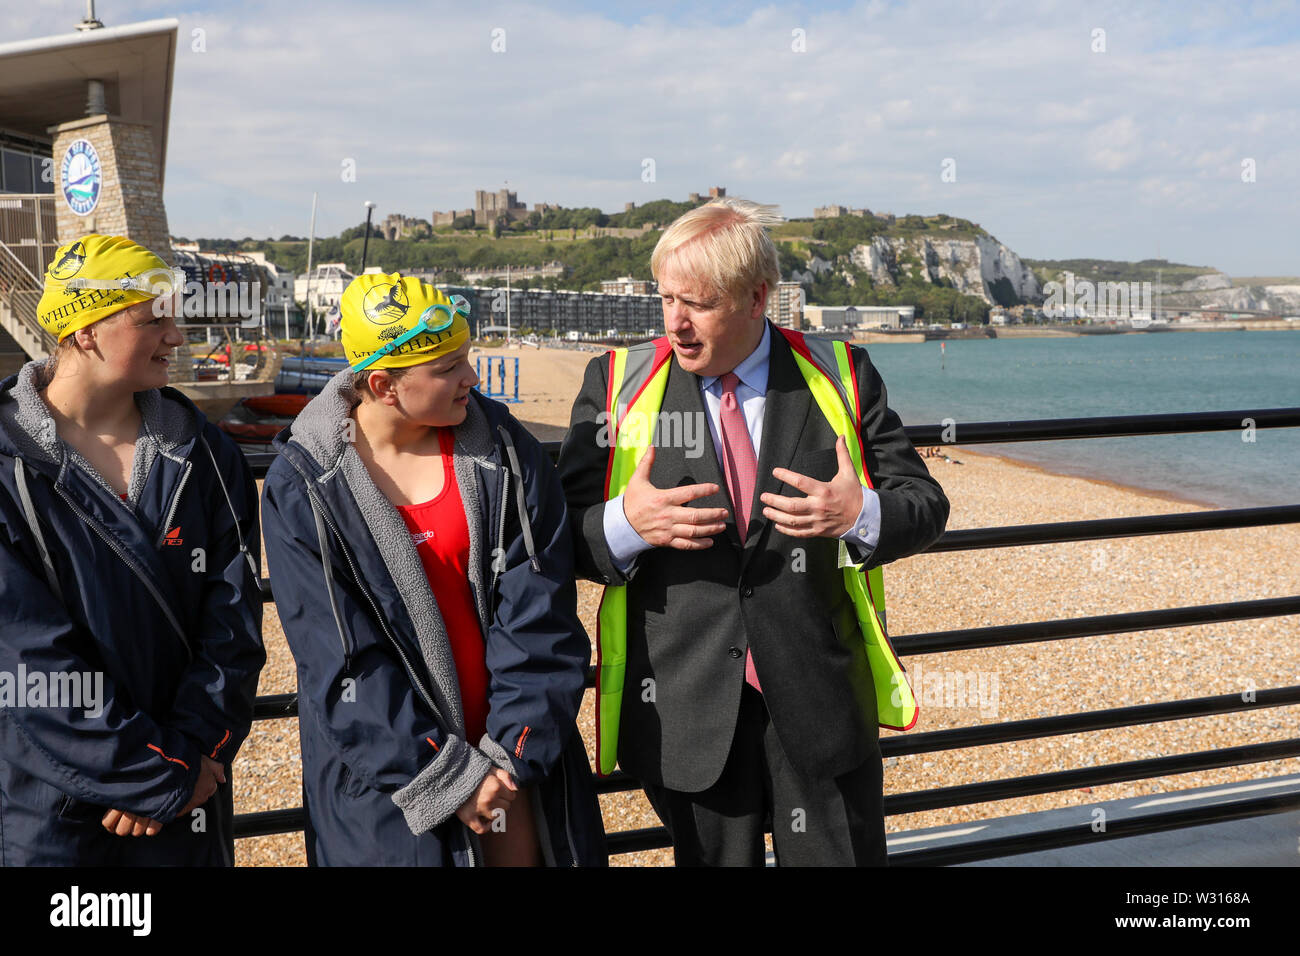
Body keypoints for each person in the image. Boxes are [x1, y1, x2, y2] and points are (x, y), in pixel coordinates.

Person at [557, 198, 951, 866]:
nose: (676, 323)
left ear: (756, 298)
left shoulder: (842, 374)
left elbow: (926, 504)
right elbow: (559, 538)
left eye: (698, 303)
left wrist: (859, 516)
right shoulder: (617, 383)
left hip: (820, 700)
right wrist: (629, 523)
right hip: (686, 712)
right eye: (665, 299)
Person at [261, 273, 606, 866]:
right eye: (448, 368)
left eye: (467, 359)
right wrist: (444, 777)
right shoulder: (306, 484)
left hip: (514, 773)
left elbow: (540, 610)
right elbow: (340, 658)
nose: (471, 377)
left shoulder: (502, 449)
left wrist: (510, 757)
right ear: (383, 384)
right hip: (390, 791)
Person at [0, 234, 265, 865]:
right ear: (85, 331)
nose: (177, 338)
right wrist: (155, 774)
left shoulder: (204, 454)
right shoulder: (9, 465)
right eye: (154, 320)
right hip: (54, 813)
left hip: (190, 797)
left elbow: (233, 622)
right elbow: (25, 660)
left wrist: (192, 756)